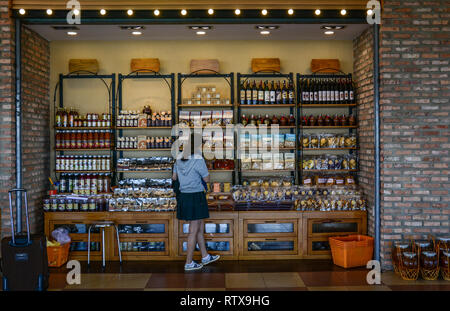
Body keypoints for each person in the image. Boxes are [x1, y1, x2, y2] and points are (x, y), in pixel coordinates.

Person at [172, 133, 220, 271]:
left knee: (198, 226)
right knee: (193, 230)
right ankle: (188, 263)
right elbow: (206, 179)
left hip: (184, 196)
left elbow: (174, 177)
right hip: (196, 195)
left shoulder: (179, 157)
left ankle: (205, 256)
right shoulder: (198, 159)